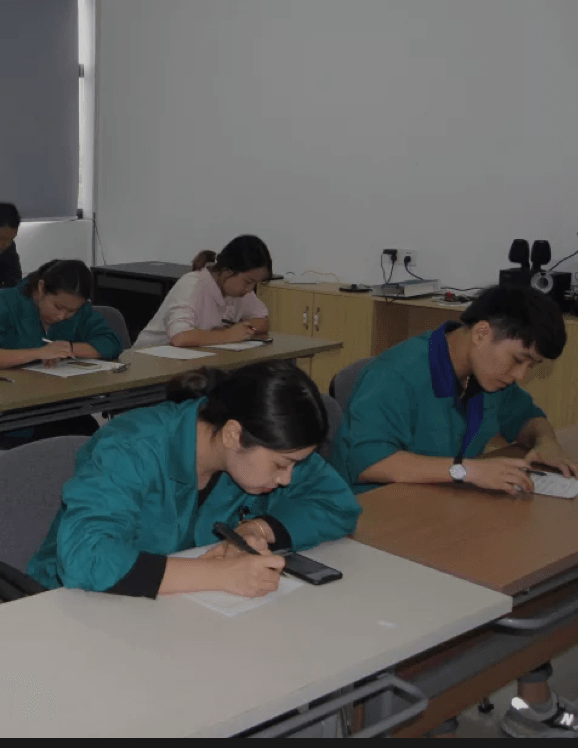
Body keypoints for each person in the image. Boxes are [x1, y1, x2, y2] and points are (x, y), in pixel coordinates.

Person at [330, 284, 576, 738]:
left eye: (531, 366)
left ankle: (532, 707)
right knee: (490, 592)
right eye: (518, 360)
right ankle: (433, 718)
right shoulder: (398, 374)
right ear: (481, 333)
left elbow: (526, 414)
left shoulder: (484, 374)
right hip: (376, 529)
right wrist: (465, 471)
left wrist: (545, 440)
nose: (520, 375)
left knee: (532, 578)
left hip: (443, 512)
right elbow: (370, 461)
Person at [28, 362, 360, 600]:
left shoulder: (266, 441)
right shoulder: (131, 447)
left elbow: (337, 503)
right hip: (77, 603)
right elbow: (86, 556)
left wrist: (258, 530)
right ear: (233, 434)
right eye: (281, 465)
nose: (286, 479)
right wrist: (220, 575)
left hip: (174, 610)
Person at [0, 259, 123, 442]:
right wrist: (39, 353)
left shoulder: (80, 311)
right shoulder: (3, 303)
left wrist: (68, 348)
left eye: (71, 311)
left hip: (56, 405)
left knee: (87, 431)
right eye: (58, 307)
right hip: (5, 410)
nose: (62, 316)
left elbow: (111, 343)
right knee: (68, 439)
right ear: (41, 288)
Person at [134, 235, 272, 348]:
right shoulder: (192, 284)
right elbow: (180, 338)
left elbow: (263, 321)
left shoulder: (240, 291)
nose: (250, 289)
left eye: (255, 284)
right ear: (227, 272)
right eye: (248, 282)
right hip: (151, 360)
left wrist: (243, 329)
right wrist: (228, 335)